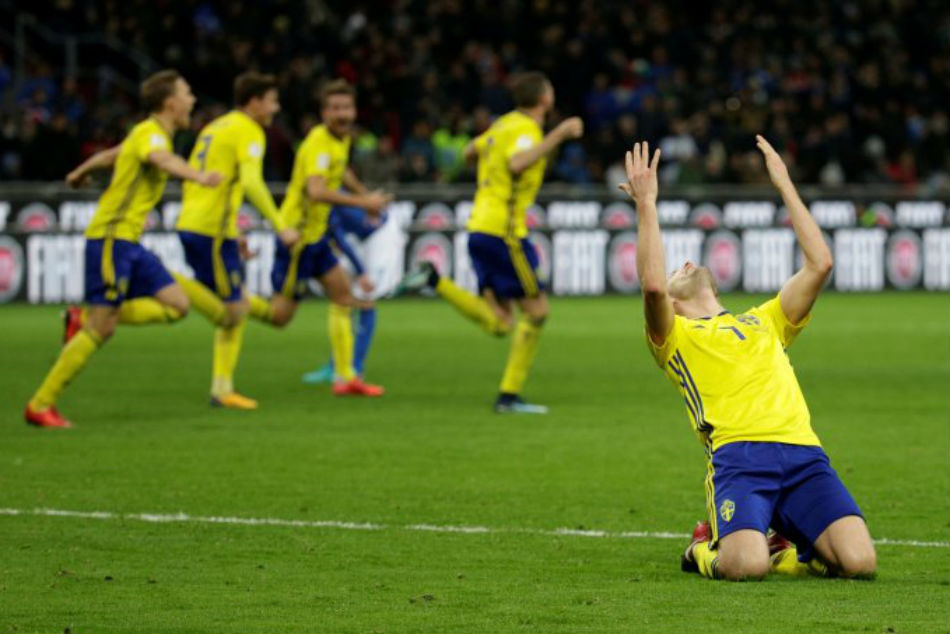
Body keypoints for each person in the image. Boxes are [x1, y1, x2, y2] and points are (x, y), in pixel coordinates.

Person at [623, 137, 876, 580]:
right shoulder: (675, 338)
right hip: (739, 458)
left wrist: (784, 185)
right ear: (673, 305)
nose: (685, 263)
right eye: (676, 269)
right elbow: (652, 286)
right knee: (745, 567)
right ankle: (701, 548)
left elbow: (820, 264)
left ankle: (783, 547)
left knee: (859, 564)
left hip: (803, 453)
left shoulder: (765, 320)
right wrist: (647, 204)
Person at [24, 70, 222, 428]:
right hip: (111, 239)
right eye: (187, 93)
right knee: (102, 329)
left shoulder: (145, 134)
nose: (192, 100)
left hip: (129, 242)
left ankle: (85, 317)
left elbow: (112, 155)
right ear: (170, 102)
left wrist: (79, 172)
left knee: (177, 305)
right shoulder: (153, 136)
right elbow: (161, 160)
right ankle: (40, 404)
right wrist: (198, 176)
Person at [396, 72, 583, 413]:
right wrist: (559, 134)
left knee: (501, 322)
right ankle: (508, 397)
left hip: (479, 227)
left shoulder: (501, 125)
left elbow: (469, 152)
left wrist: (490, 169)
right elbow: (518, 162)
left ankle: (434, 279)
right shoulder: (527, 129)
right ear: (545, 98)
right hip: (504, 233)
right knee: (537, 312)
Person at [251, 79, 391, 397]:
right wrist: (363, 203)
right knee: (280, 317)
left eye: (347, 108)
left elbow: (341, 172)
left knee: (343, 298)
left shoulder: (341, 140)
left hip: (316, 239)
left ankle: (345, 378)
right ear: (324, 112)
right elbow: (316, 191)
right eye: (335, 108)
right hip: (297, 240)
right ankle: (234, 302)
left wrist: (364, 194)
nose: (342, 114)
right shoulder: (317, 143)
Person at [174, 71, 300, 409]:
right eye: (271, 101)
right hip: (210, 231)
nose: (275, 108)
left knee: (234, 305)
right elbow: (252, 183)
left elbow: (200, 182)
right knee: (232, 310)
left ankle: (222, 387)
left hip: (200, 224)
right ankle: (162, 278)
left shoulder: (215, 127)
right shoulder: (249, 130)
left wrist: (233, 230)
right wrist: (281, 226)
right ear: (254, 101)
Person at [301, 200, 384, 384]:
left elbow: (341, 239)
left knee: (365, 301)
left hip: (377, 237)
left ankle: (354, 367)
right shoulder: (325, 200)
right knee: (343, 299)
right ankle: (338, 365)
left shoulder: (327, 199)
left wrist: (362, 272)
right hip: (356, 239)